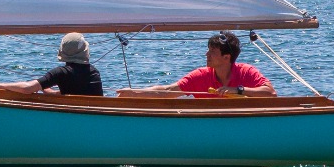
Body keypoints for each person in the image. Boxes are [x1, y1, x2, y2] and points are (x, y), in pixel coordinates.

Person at [116, 31, 275, 98]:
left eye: (212, 51)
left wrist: (238, 90)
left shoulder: (246, 72)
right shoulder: (201, 76)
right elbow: (168, 91)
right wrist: (134, 93)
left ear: (227, 57)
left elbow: (270, 93)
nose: (207, 55)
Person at [0, 32, 103, 96]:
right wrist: (44, 88)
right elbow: (74, 95)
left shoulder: (61, 73)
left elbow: (27, 88)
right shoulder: (94, 72)